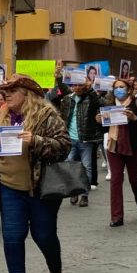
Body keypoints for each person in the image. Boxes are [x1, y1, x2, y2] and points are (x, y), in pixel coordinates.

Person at [0, 76, 71, 273]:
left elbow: (64, 146)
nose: (7, 95)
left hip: (40, 188)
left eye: (13, 90)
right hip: (9, 186)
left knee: (43, 235)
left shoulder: (46, 116)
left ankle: (55, 268)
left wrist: (36, 141)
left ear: (27, 93)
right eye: (5, 91)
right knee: (12, 236)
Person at [96, 80, 137, 227]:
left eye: (121, 87)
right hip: (114, 146)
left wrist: (134, 118)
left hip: (135, 147)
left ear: (129, 89)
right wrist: (99, 121)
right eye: (116, 88)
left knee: (135, 180)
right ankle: (116, 217)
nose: (118, 90)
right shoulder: (108, 106)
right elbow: (103, 129)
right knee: (115, 179)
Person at [54, 78, 103, 206]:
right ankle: (73, 191)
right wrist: (59, 77)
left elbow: (100, 102)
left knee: (87, 167)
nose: (77, 87)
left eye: (80, 85)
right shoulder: (68, 98)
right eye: (74, 85)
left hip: (86, 138)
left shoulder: (90, 98)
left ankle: (84, 194)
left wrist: (90, 88)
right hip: (70, 139)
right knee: (70, 166)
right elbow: (61, 92)